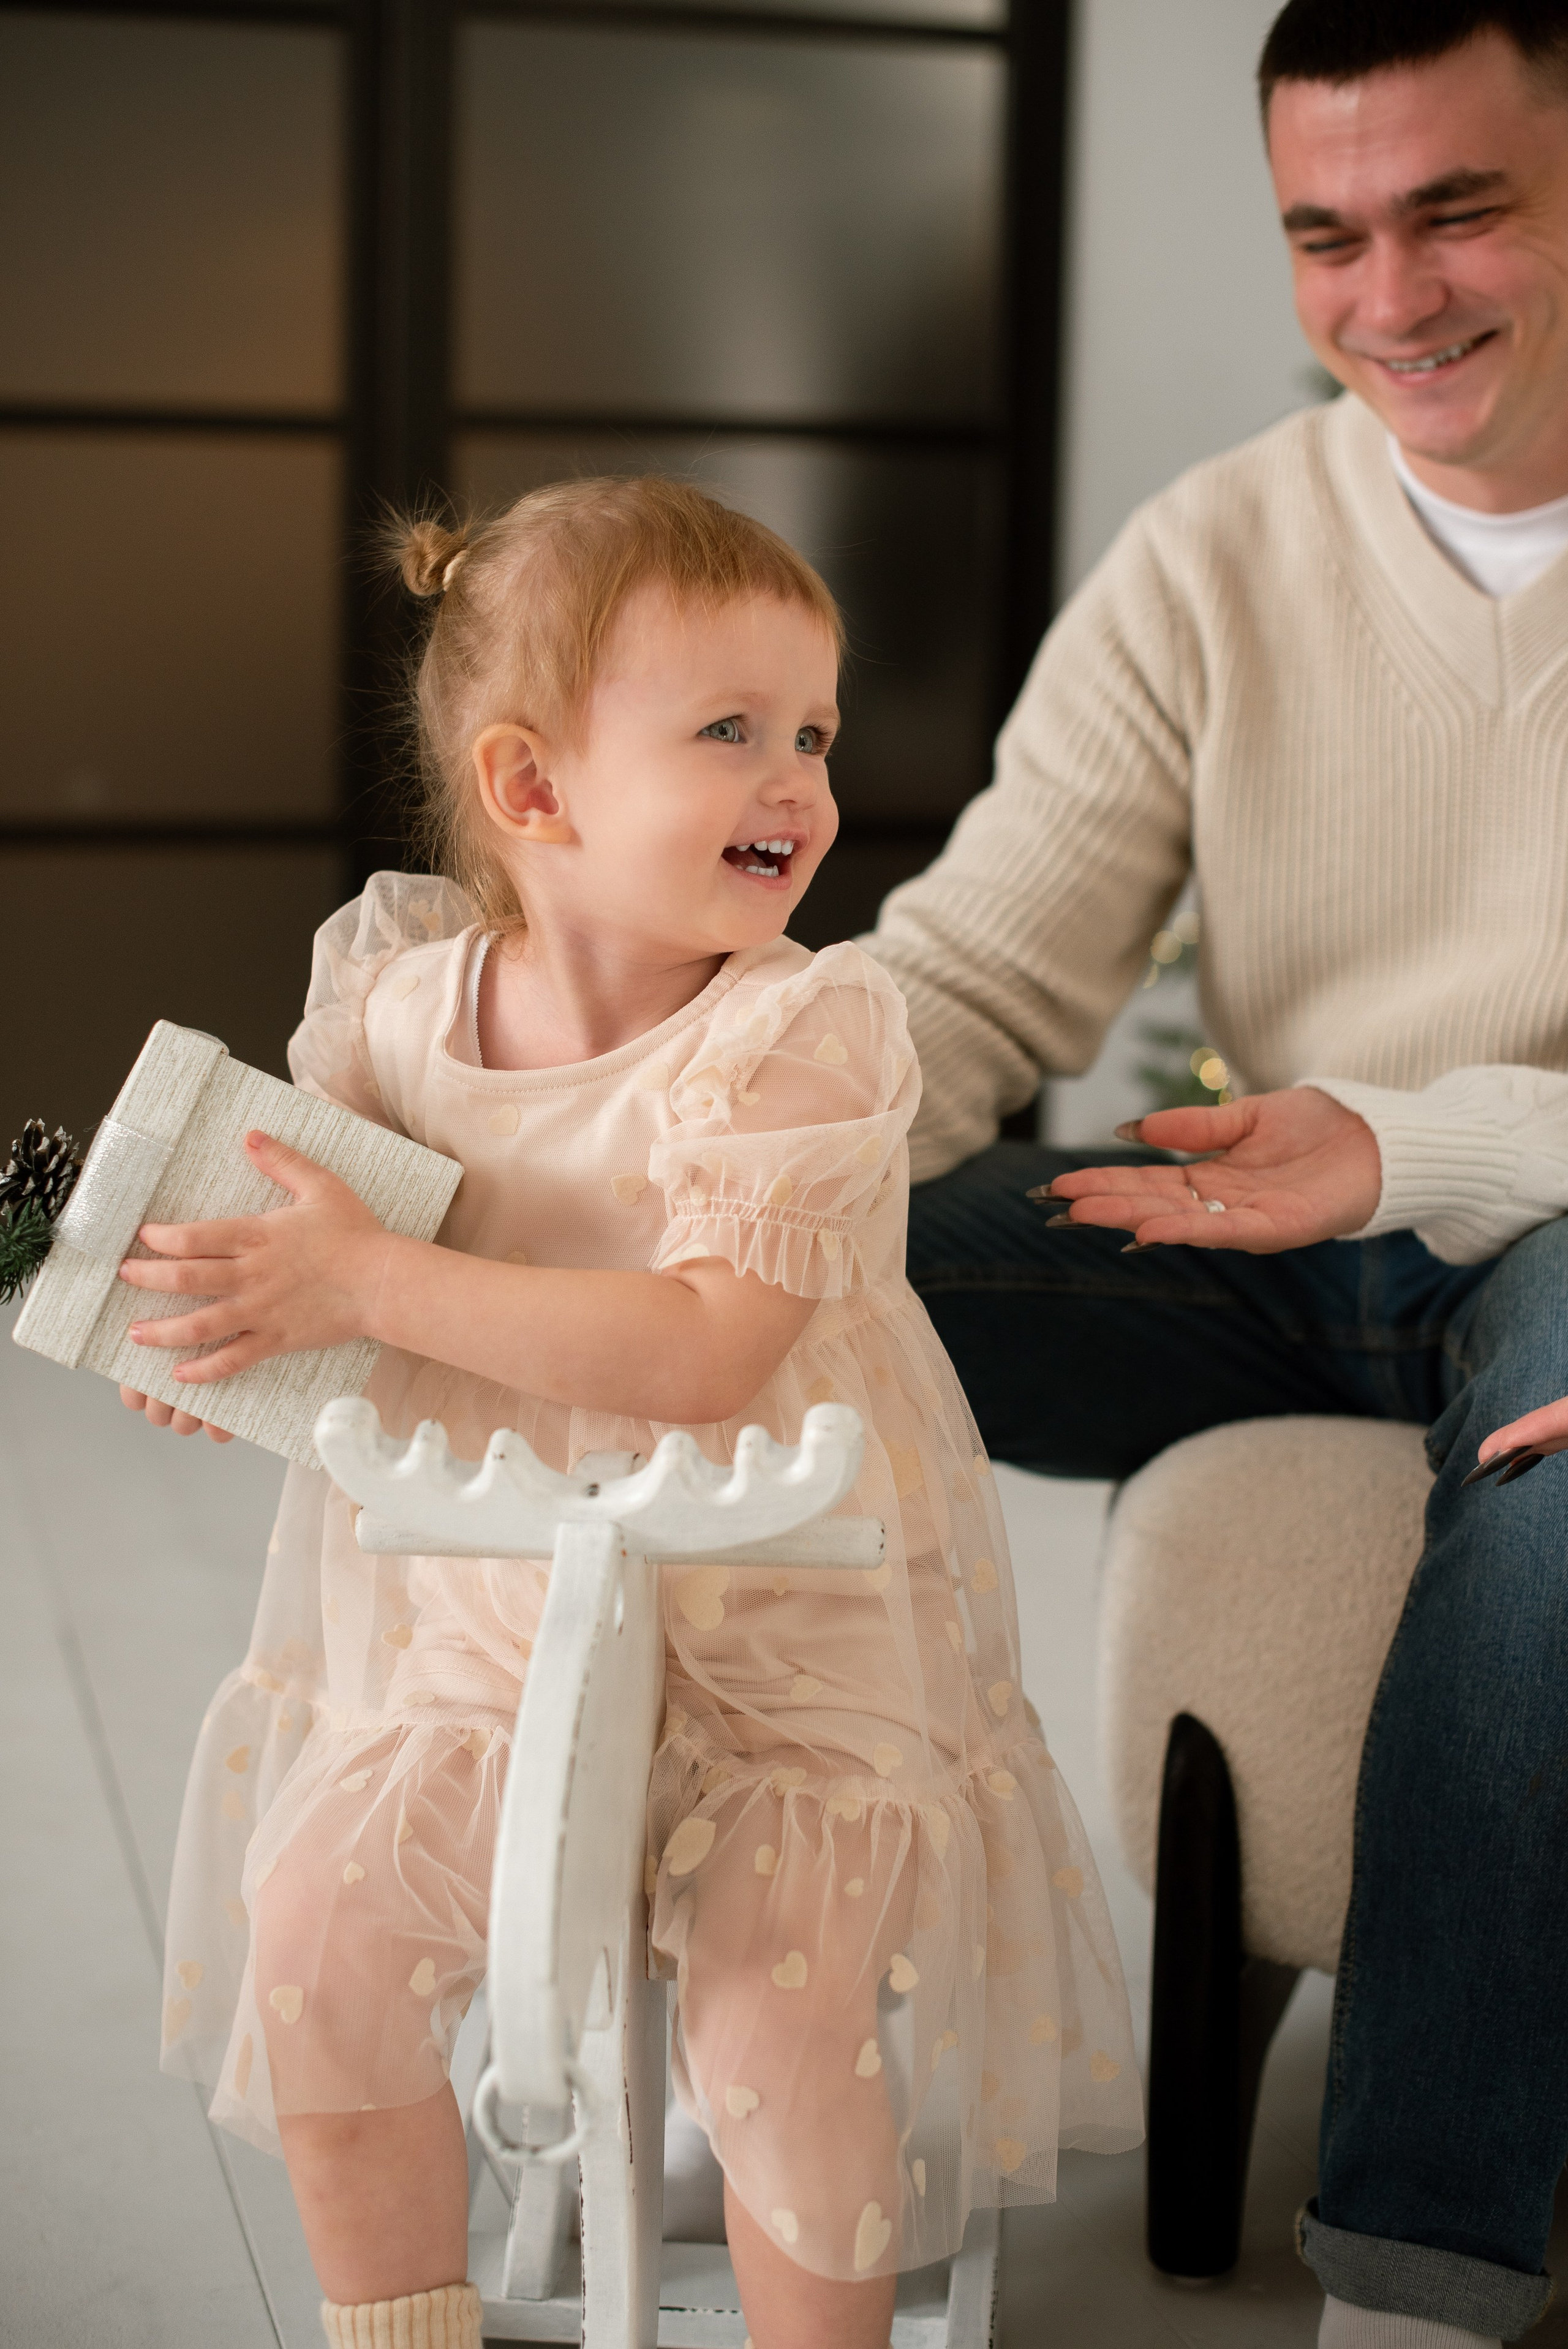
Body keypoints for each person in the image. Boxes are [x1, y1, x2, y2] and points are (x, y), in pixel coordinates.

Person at [123, 478, 1140, 2349]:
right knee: (316, 1942)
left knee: (776, 2015)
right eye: (730, 731)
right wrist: (263, 1331)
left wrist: (369, 1288)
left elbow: (700, 1351)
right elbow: (327, 1263)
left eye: (816, 732)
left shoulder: (797, 1033)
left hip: (781, 1641)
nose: (801, 783)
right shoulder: (399, 1011)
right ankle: (401, 2324)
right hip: (493, 1631)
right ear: (532, 792)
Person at [865, 4, 1568, 2345]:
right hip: (1260, 1227)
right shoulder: (1217, 557)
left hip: (1555, 1237)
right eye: (1328, 234)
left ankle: (1419, 2282)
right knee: (762, 1278)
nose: (1395, 297)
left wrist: (1427, 1137)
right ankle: (758, 2044)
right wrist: (713, 1156)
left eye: (1461, 208)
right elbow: (974, 975)